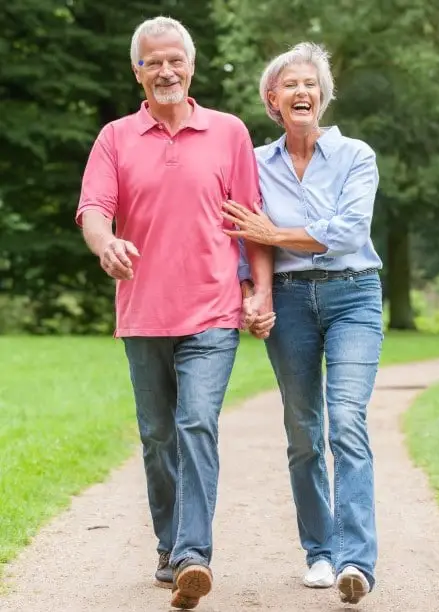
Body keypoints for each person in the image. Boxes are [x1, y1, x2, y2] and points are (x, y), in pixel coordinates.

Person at [75, 16, 273, 610]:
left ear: (191, 66)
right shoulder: (115, 137)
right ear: (137, 71)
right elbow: (93, 207)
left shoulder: (229, 132)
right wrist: (106, 242)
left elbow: (251, 221)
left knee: (195, 425)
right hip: (143, 313)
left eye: (175, 61)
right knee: (158, 435)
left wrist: (259, 290)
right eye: (153, 62)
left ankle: (193, 555)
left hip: (212, 309)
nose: (166, 71)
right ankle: (168, 548)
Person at [222, 42, 383, 606]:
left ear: (323, 95)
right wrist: (253, 293)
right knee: (303, 431)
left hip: (354, 295)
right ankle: (319, 551)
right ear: (272, 100)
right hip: (289, 302)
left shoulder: (356, 155)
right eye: (289, 85)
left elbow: (347, 232)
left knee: (346, 421)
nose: (301, 92)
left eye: (310, 84)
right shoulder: (257, 164)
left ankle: (356, 562)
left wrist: (275, 234)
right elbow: (243, 236)